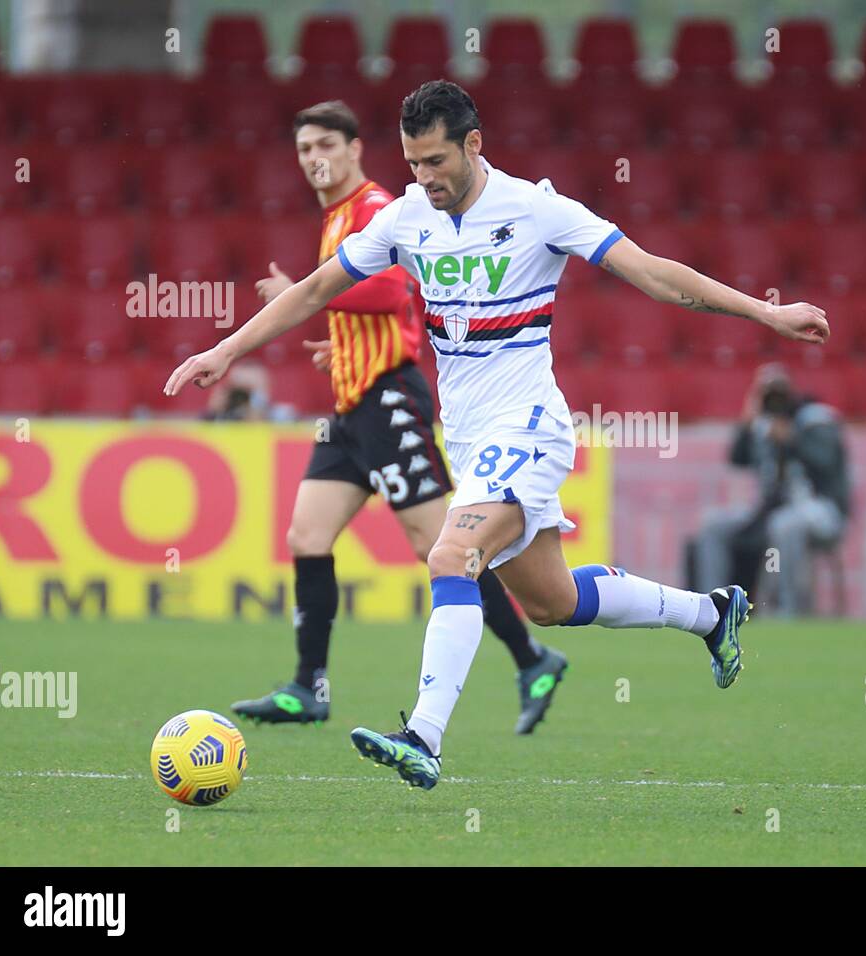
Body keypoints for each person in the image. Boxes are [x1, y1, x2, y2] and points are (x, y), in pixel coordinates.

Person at [166, 80, 829, 791]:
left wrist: (766, 314)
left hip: (532, 428)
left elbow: (654, 275)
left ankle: (423, 735)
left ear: (474, 144)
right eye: (413, 164)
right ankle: (711, 612)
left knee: (452, 556)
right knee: (553, 602)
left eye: (436, 162)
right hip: (473, 438)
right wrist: (227, 349)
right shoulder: (406, 219)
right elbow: (313, 291)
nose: (424, 179)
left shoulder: (537, 209)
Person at [227, 100, 570, 736]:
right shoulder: (339, 215)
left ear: (356, 149)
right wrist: (339, 339)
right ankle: (309, 686)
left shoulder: (383, 206)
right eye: (304, 149)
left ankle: (532, 656)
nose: (314, 159)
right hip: (350, 403)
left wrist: (302, 294)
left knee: (437, 546)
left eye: (326, 144)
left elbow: (391, 291)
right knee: (307, 537)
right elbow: (377, 308)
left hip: (389, 398)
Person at [691, 364, 850, 615]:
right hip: (767, 509)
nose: (775, 401)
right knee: (713, 525)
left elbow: (826, 462)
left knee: (784, 525)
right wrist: (747, 420)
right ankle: (711, 611)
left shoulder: (814, 419)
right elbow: (736, 458)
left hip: (820, 508)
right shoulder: (761, 424)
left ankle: (788, 610)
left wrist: (792, 439)